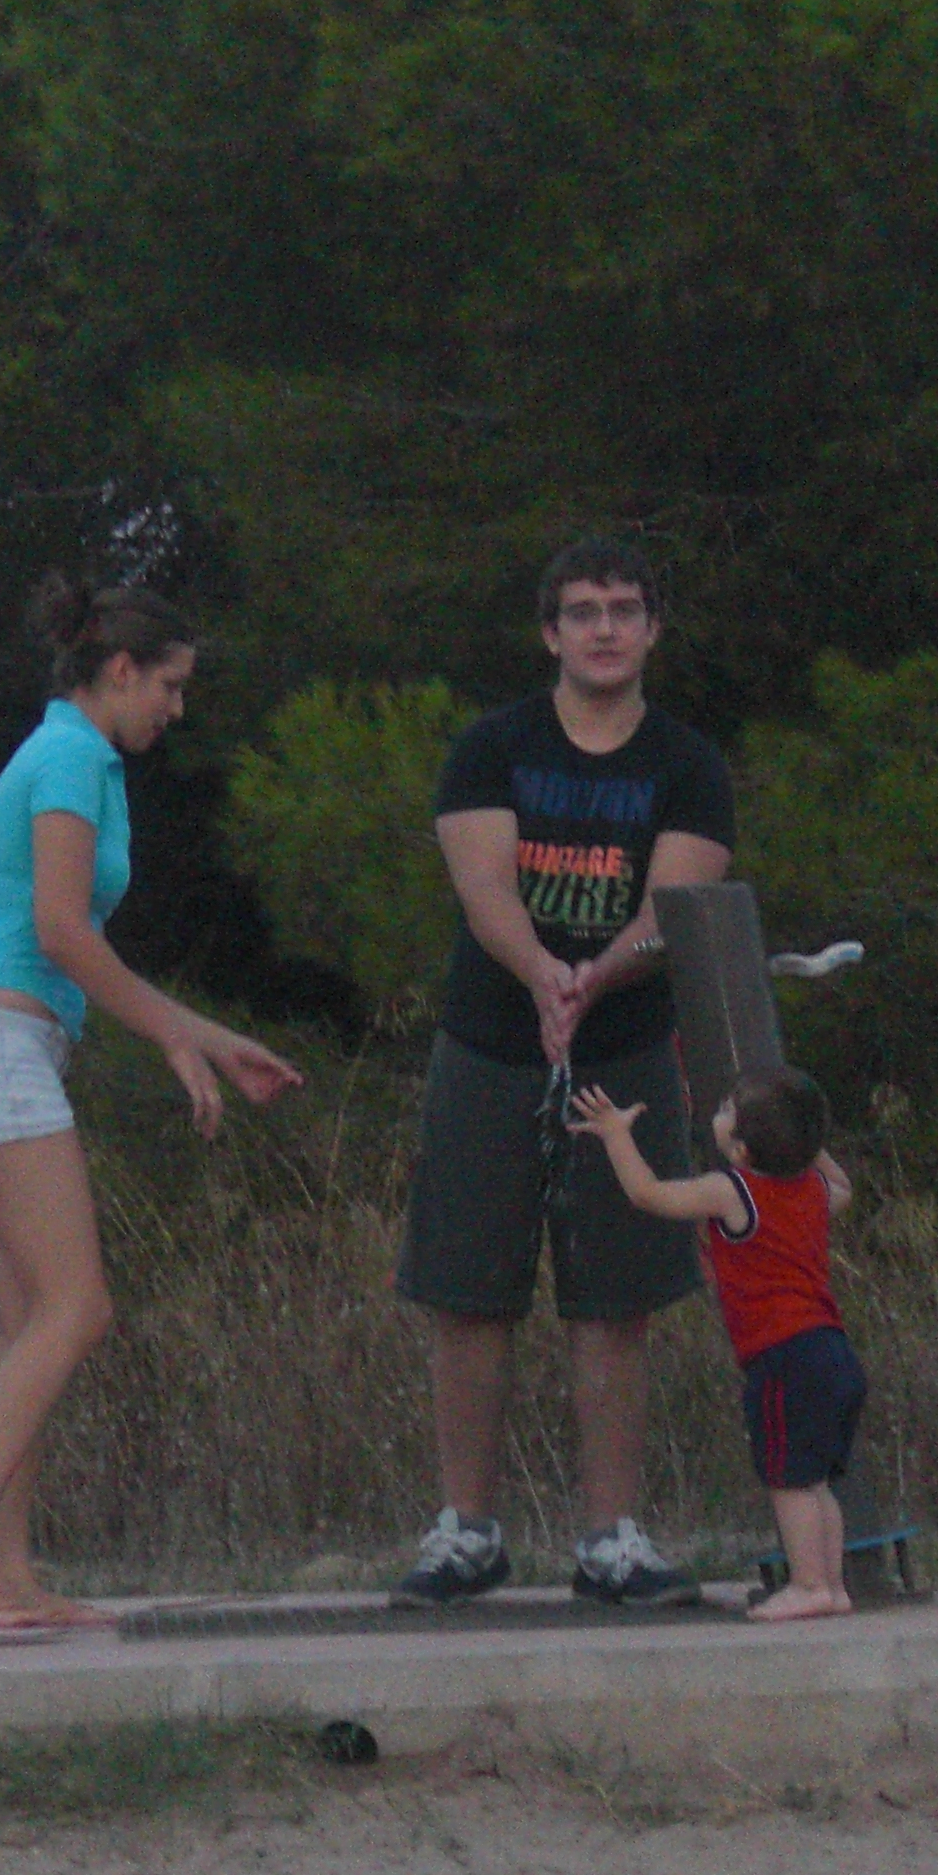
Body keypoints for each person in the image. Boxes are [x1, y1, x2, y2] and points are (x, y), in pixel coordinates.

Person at [0, 576, 304, 1638]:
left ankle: (4, 1571)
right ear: (120, 671)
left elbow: (68, 941)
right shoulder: (73, 756)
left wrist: (202, 1037)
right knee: (77, 1308)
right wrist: (177, 1033)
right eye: (169, 685)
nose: (177, 707)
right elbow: (63, 930)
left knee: (31, 1321)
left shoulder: (76, 757)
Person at [389, 537, 734, 1608]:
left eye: (624, 609)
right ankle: (466, 1533)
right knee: (467, 1291)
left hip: (624, 1051)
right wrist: (541, 971)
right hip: (491, 1041)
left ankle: (610, 1541)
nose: (604, 628)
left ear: (652, 628)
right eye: (582, 611)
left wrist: (596, 977)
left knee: (615, 1299)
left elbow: (676, 904)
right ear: (551, 632)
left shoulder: (687, 765)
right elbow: (483, 884)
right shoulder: (492, 747)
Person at [568, 1067, 868, 1620]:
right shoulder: (814, 1190)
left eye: (729, 1109)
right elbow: (845, 1187)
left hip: (783, 1356)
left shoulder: (732, 1189)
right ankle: (831, 1585)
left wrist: (615, 1134)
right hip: (833, 1352)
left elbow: (647, 1193)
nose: (720, 1111)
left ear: (742, 1148)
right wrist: (809, 1147)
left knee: (788, 1481)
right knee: (816, 1482)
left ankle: (809, 1585)